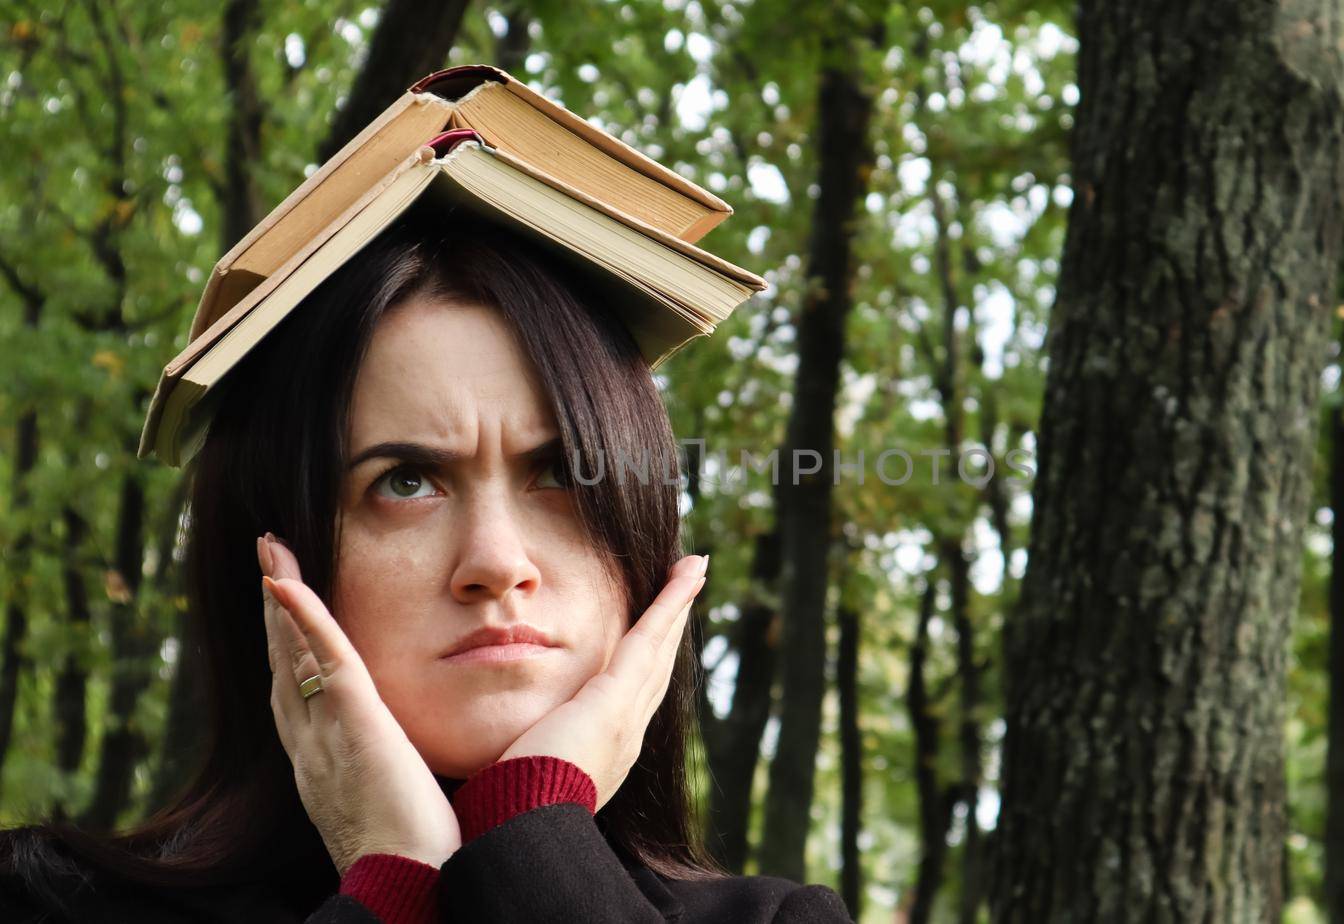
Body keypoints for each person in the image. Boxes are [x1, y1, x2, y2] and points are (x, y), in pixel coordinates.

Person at [0, 208, 853, 923]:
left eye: (557, 472)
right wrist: (390, 884)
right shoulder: (49, 904)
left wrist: (533, 832)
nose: (496, 562)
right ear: (275, 551)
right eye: (406, 481)